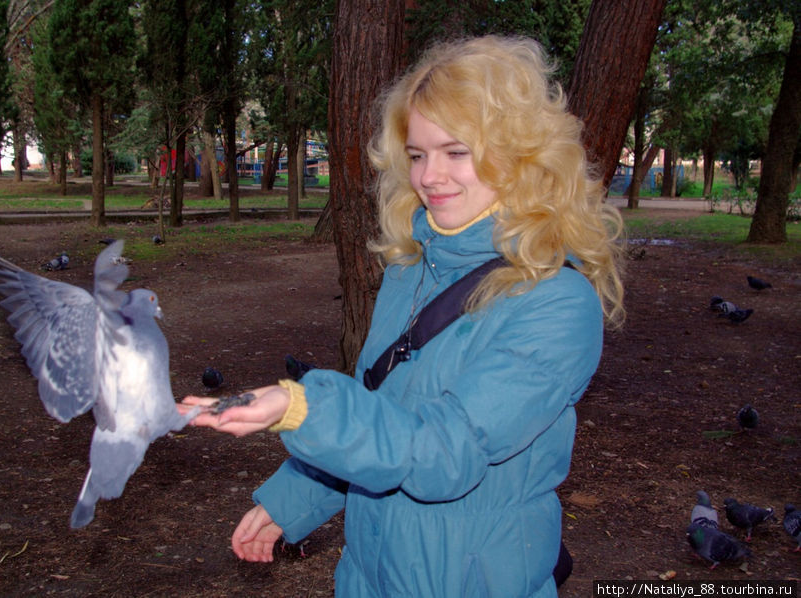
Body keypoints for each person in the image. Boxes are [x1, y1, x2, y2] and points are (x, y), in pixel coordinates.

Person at [180, 35, 625, 597]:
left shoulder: (557, 303)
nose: (429, 177)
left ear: (519, 155)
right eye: (417, 155)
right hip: (369, 575)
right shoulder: (412, 266)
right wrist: (298, 499)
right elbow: (382, 412)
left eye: (456, 152)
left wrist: (302, 408)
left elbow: (444, 452)